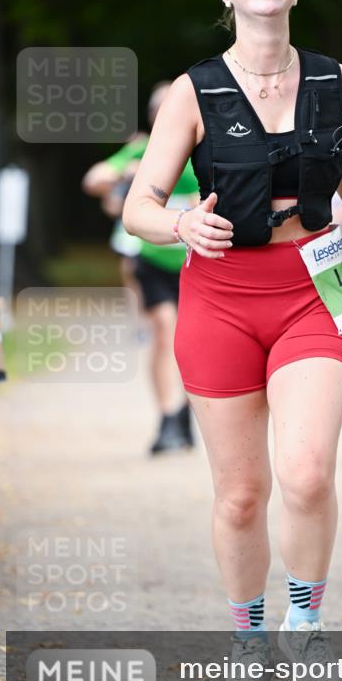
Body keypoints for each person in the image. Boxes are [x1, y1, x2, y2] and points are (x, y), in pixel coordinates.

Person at [122, 0, 342, 678]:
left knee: (308, 471)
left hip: (311, 288)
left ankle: (305, 626)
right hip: (220, 298)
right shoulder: (194, 90)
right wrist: (181, 221)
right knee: (242, 496)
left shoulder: (331, 78)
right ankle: (246, 637)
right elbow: (139, 204)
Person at [82, 83, 199, 453]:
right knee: (165, 331)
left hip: (201, 261)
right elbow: (94, 179)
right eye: (159, 108)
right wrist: (123, 174)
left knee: (195, 344)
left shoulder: (207, 149)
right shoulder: (141, 150)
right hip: (153, 257)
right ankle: (168, 419)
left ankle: (188, 413)